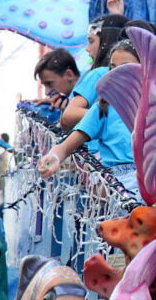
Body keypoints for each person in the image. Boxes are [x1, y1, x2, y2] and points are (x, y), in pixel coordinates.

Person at [38, 40, 143, 199]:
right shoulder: (104, 107)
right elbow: (65, 147)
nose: (117, 74)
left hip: (153, 193)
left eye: (126, 67)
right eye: (113, 69)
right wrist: (53, 157)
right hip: (118, 192)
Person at [59, 13, 129, 130]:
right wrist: (115, 116)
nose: (87, 48)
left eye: (91, 41)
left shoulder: (101, 74)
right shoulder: (98, 74)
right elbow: (69, 115)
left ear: (107, 41)